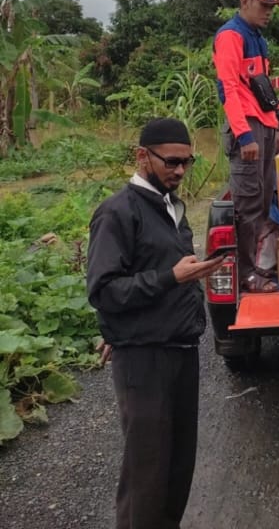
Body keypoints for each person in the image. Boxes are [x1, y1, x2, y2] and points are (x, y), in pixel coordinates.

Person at [87, 117, 229, 529]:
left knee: (178, 464)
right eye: (171, 162)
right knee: (147, 471)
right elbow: (104, 290)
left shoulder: (170, 207)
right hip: (144, 358)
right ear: (142, 157)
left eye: (187, 162)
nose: (180, 171)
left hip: (180, 350)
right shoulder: (117, 213)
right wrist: (172, 277)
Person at [212, 0, 279, 292]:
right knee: (247, 205)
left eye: (273, 6)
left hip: (263, 126)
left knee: (266, 198)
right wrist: (244, 136)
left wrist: (275, 127)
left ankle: (261, 268)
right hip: (247, 128)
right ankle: (245, 276)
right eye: (264, 5)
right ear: (245, 3)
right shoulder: (231, 35)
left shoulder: (258, 37)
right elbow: (228, 87)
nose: (269, 11)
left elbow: (262, 89)